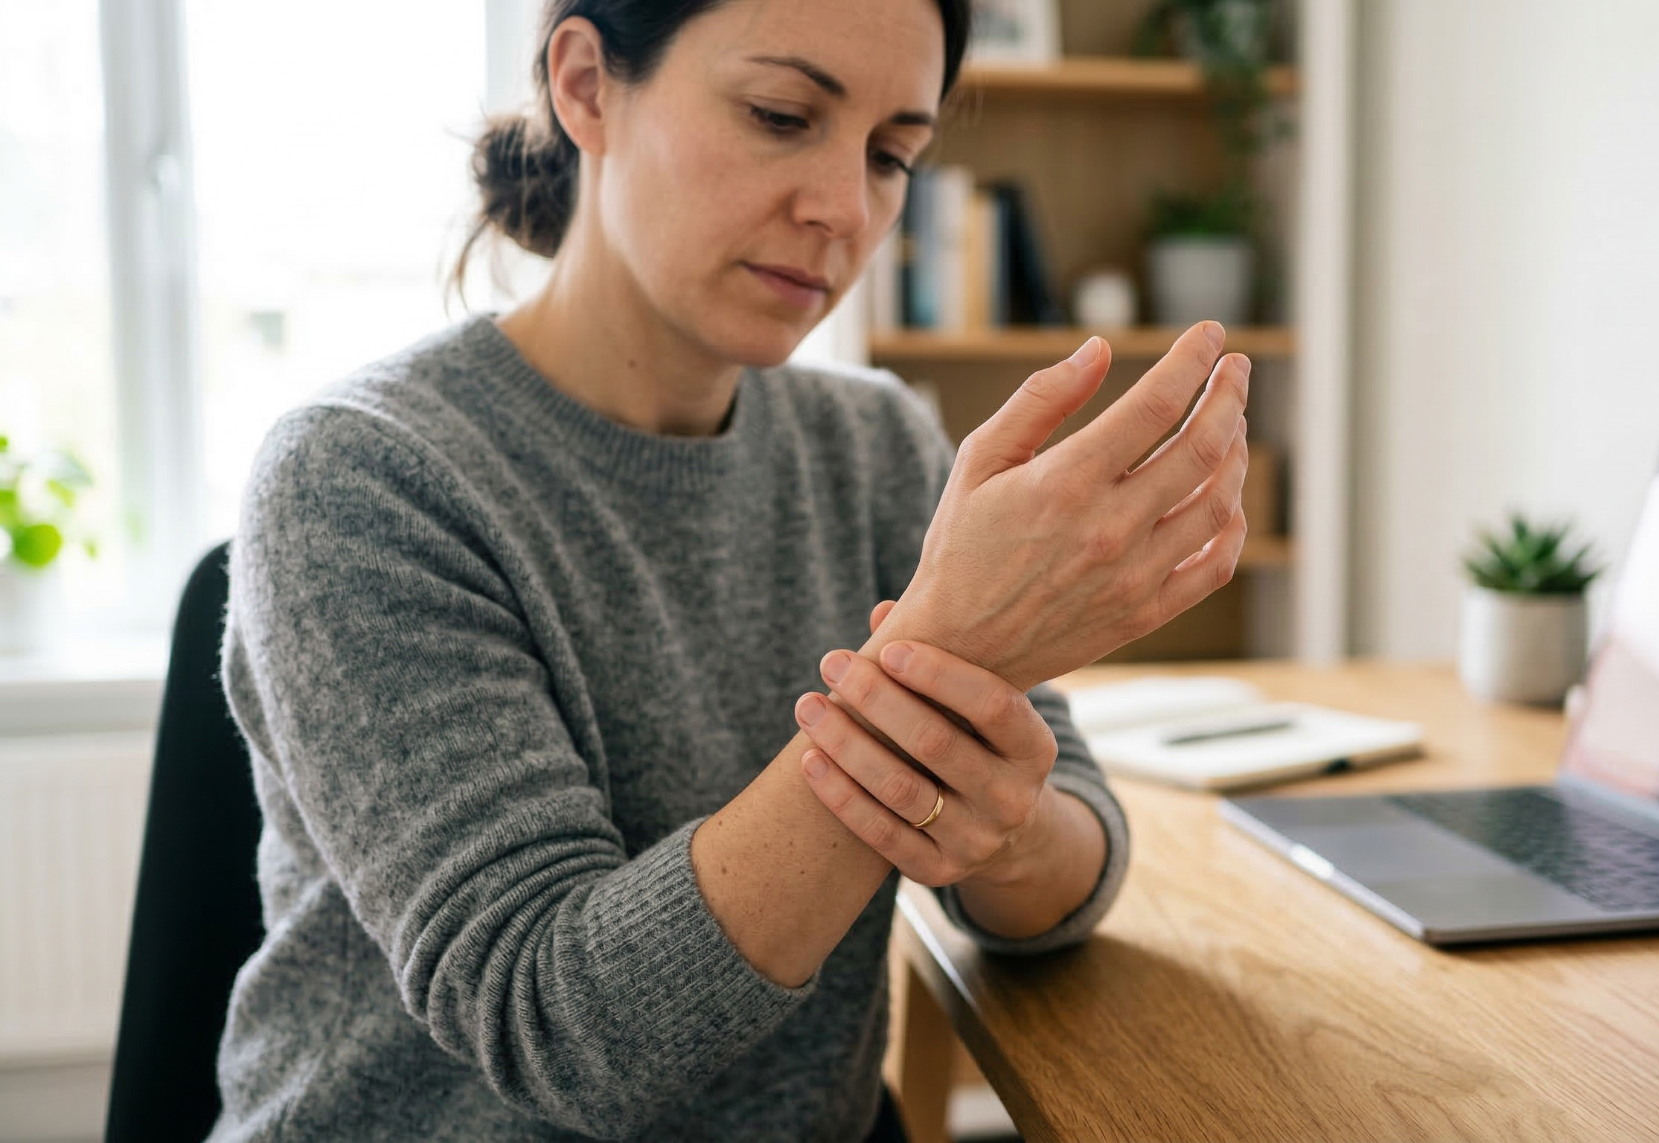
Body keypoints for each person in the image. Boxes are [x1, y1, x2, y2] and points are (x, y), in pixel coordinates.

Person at [212, 0, 1252, 1138]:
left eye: (891, 154)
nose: (845, 209)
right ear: (586, 85)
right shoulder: (360, 475)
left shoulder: (877, 447)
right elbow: (563, 1036)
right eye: (778, 114)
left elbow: (1068, 871)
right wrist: (937, 663)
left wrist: (998, 825)